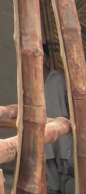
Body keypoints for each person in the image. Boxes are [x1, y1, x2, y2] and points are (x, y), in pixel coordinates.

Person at [43, 44, 74, 193]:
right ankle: (55, 189)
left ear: (48, 58)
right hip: (42, 125)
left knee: (67, 157)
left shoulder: (58, 77)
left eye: (42, 55)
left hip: (62, 123)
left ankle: (69, 186)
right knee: (47, 159)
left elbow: (70, 100)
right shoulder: (27, 80)